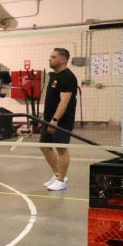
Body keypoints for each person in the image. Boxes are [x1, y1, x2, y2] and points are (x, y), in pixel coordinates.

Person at [39, 48, 79, 191]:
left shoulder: (68, 77)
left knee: (61, 148)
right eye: (50, 56)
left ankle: (61, 181)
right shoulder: (54, 76)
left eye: (53, 57)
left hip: (61, 121)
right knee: (44, 146)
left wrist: (55, 120)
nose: (50, 59)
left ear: (62, 60)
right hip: (48, 119)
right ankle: (58, 175)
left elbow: (64, 101)